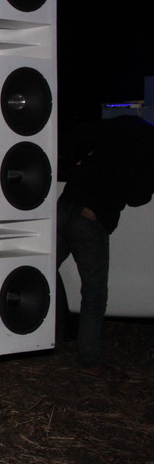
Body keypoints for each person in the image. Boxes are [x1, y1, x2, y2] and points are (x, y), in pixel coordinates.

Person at [57, 115, 154, 379]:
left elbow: (79, 130)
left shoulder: (125, 124)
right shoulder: (150, 149)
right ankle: (89, 362)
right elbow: (138, 198)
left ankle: (30, 336)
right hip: (90, 219)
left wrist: (76, 159)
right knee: (94, 295)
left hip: (64, 206)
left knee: (40, 275)